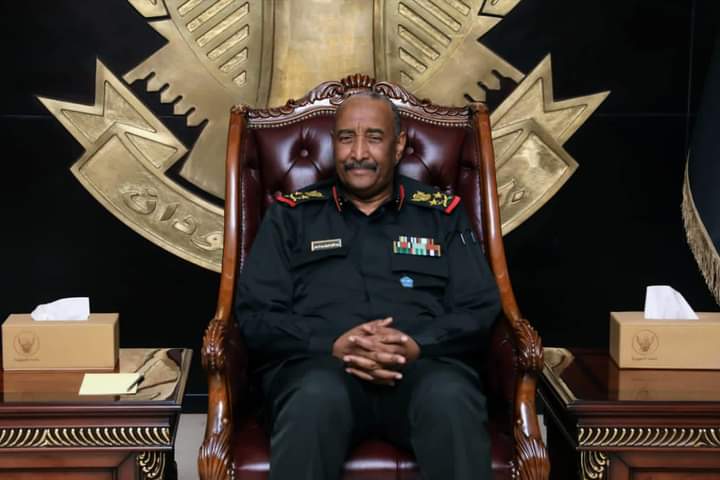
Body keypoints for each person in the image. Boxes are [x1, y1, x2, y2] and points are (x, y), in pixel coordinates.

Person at [234, 92, 501, 480]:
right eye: (346, 138)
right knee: (313, 398)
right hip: (319, 370)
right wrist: (331, 343)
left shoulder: (441, 215)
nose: (358, 153)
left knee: (450, 397)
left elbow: (479, 307)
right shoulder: (290, 216)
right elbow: (256, 314)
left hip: (423, 369)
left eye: (374, 137)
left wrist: (417, 344)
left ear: (399, 145)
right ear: (333, 143)